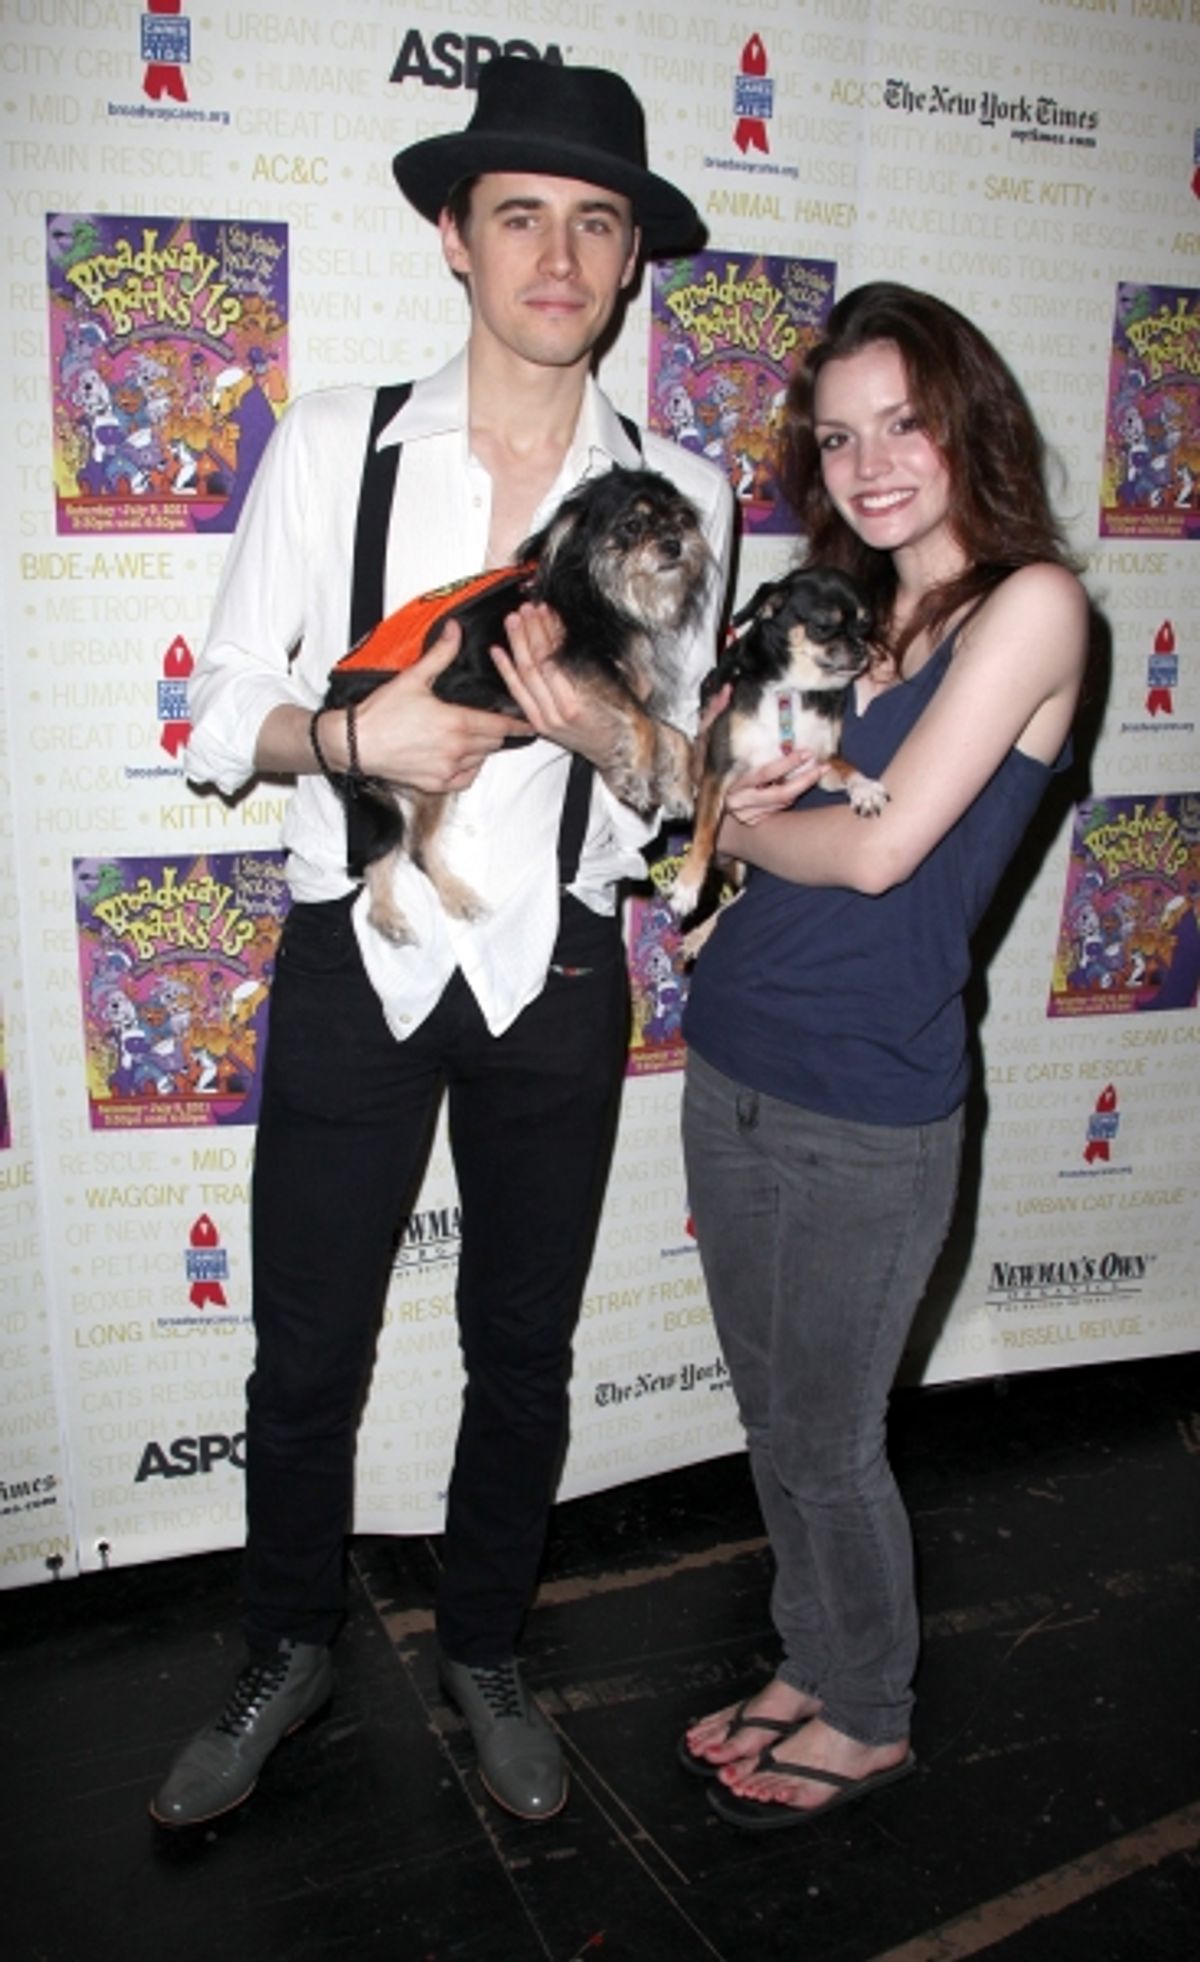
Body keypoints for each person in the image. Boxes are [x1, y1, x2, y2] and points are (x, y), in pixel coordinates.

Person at [151, 57, 732, 1829]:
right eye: (521, 216)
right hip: (357, 955)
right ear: (452, 240)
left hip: (558, 968)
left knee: (527, 1351)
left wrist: (611, 739)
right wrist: (358, 741)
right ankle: (284, 1649)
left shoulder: (676, 494)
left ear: (631, 262)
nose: (559, 254)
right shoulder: (336, 446)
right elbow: (218, 713)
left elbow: (686, 779)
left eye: (597, 223)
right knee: (304, 1347)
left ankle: (486, 1645)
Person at [677, 282, 1088, 1829]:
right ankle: (810, 1659)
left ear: (966, 414)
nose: (870, 462)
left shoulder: (1031, 603)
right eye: (838, 436)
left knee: (832, 1439)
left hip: (871, 1096)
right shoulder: (845, 612)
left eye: (901, 421)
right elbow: (744, 793)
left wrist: (736, 812)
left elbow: (882, 855)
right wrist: (737, 788)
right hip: (737, 1061)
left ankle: (873, 1713)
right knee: (774, 1417)